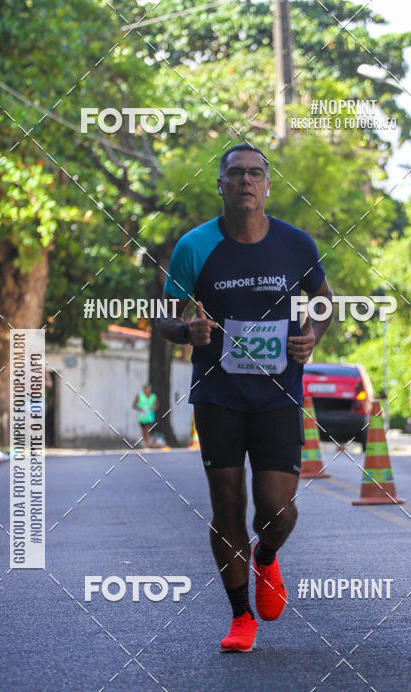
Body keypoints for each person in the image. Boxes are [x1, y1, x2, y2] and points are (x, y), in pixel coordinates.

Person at [158, 143, 333, 652]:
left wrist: (313, 333)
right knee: (227, 506)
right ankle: (240, 616)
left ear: (268, 185)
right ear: (220, 184)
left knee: (276, 512)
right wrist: (186, 330)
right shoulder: (195, 246)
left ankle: (266, 557)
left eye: (256, 174)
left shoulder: (296, 245)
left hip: (279, 394)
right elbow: (165, 316)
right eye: (236, 175)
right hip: (218, 394)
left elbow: (323, 303)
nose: (246, 182)